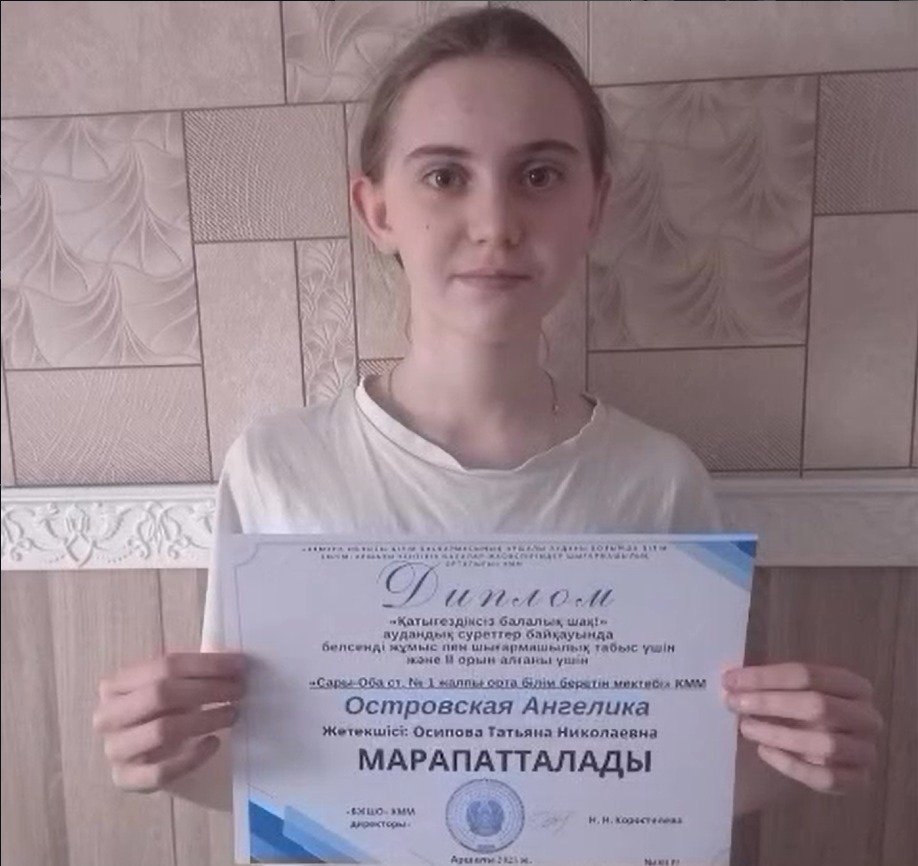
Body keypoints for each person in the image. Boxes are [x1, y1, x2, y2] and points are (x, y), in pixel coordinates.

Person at [92, 6, 882, 820]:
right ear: (378, 210)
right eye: (445, 176)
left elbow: (670, 793)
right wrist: (161, 760)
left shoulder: (657, 481)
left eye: (539, 176)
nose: (497, 225)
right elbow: (265, 782)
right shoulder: (277, 469)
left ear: (594, 205)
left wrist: (799, 759)